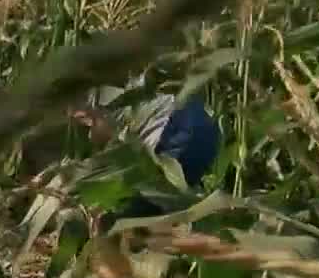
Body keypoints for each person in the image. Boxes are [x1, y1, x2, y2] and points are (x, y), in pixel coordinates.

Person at [71, 74, 223, 222]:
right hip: (201, 122)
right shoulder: (118, 77)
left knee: (131, 215)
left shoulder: (83, 100)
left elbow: (105, 134)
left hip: (177, 131)